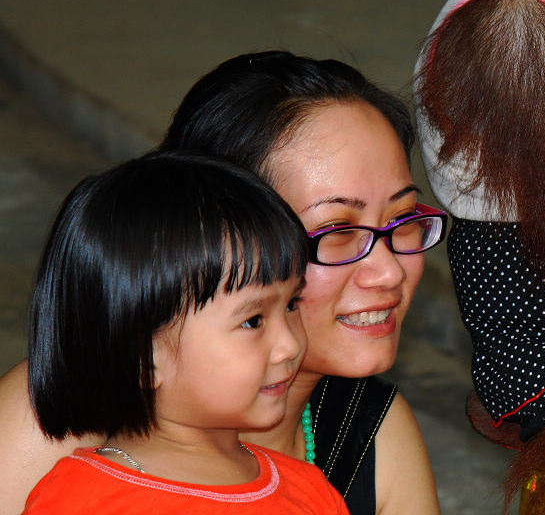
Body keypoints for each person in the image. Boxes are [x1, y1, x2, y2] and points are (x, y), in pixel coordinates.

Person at [0, 52, 444, 515]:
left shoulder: (369, 429)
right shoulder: (60, 413)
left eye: (402, 219)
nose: (390, 270)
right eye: (337, 232)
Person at [23, 151, 348, 513]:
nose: (289, 344)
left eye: (291, 304)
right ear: (143, 360)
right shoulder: (81, 502)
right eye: (252, 320)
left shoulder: (306, 488)